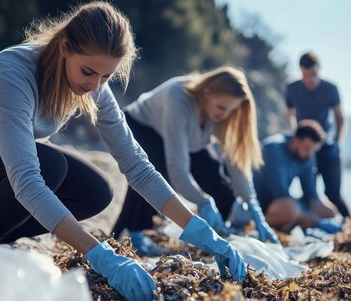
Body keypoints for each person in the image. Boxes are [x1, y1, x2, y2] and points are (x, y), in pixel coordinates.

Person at [0, 2, 246, 301]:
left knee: (95, 193)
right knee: (49, 168)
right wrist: (101, 255)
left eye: (107, 75)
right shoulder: (13, 71)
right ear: (65, 47)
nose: (95, 86)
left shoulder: (94, 84)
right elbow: (26, 182)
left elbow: (137, 166)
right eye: (88, 72)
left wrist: (203, 232)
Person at [111, 66, 278, 254]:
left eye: (230, 111)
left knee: (214, 176)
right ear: (207, 93)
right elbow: (177, 168)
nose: (224, 115)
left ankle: (224, 229)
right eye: (221, 108)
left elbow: (236, 163)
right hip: (141, 126)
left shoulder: (223, 113)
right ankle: (129, 233)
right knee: (153, 173)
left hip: (189, 141)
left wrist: (253, 206)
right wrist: (202, 201)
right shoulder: (178, 97)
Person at [285, 52, 351, 218]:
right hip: (305, 149)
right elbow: (289, 114)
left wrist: (337, 143)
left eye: (313, 74)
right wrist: (296, 136)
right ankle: (311, 228)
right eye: (306, 75)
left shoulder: (330, 88)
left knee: (333, 194)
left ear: (319, 69)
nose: (310, 79)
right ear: (300, 71)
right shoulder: (292, 89)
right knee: (310, 194)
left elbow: (340, 118)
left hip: (327, 147)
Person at [250, 120, 342, 233]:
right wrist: (316, 222)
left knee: (329, 212)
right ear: (296, 140)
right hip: (258, 204)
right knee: (290, 210)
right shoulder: (272, 149)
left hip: (282, 202)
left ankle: (293, 224)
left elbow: (312, 196)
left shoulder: (308, 156)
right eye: (307, 149)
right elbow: (281, 194)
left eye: (315, 151)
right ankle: (253, 224)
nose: (310, 155)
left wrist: (328, 217)